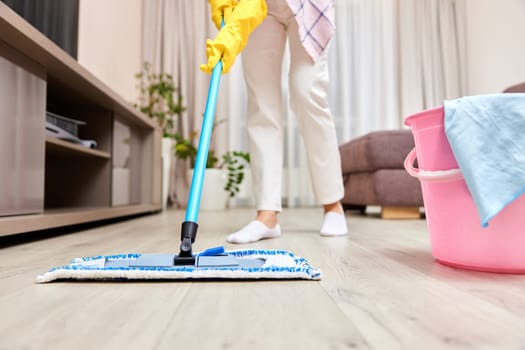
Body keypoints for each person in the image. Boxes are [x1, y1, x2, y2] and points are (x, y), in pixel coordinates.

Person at [201, 0, 348, 243]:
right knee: (262, 103)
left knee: (306, 91)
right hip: (257, 5)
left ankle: (333, 205)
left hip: (307, 5)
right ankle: (266, 215)